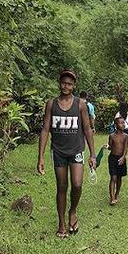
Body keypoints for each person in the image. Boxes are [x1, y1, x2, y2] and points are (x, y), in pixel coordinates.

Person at [37, 70, 96, 238]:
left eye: (69, 84)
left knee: (77, 184)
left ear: (74, 86)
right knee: (61, 187)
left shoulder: (80, 104)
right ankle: (61, 223)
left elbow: (87, 129)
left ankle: (73, 211)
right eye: (64, 83)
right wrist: (40, 156)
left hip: (77, 150)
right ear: (59, 83)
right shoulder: (51, 104)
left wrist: (92, 154)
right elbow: (45, 129)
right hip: (58, 152)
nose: (66, 86)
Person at [106, 116, 128, 205]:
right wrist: (107, 146)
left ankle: (117, 194)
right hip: (112, 158)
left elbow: (125, 148)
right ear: (116, 125)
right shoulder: (112, 136)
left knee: (119, 177)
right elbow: (110, 147)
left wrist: (123, 157)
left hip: (121, 158)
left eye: (124, 122)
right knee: (113, 177)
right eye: (121, 123)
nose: (123, 124)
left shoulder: (126, 136)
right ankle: (112, 197)